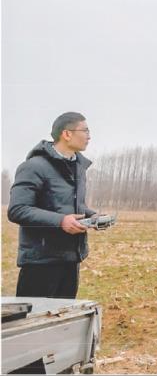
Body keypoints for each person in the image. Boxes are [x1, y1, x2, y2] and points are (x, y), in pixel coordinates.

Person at [7, 112, 98, 299]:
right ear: (67, 134)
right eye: (85, 130)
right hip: (40, 262)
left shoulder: (78, 168)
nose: (89, 136)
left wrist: (91, 216)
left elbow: (71, 206)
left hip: (70, 260)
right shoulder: (34, 167)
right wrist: (61, 221)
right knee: (33, 323)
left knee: (62, 322)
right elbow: (18, 210)